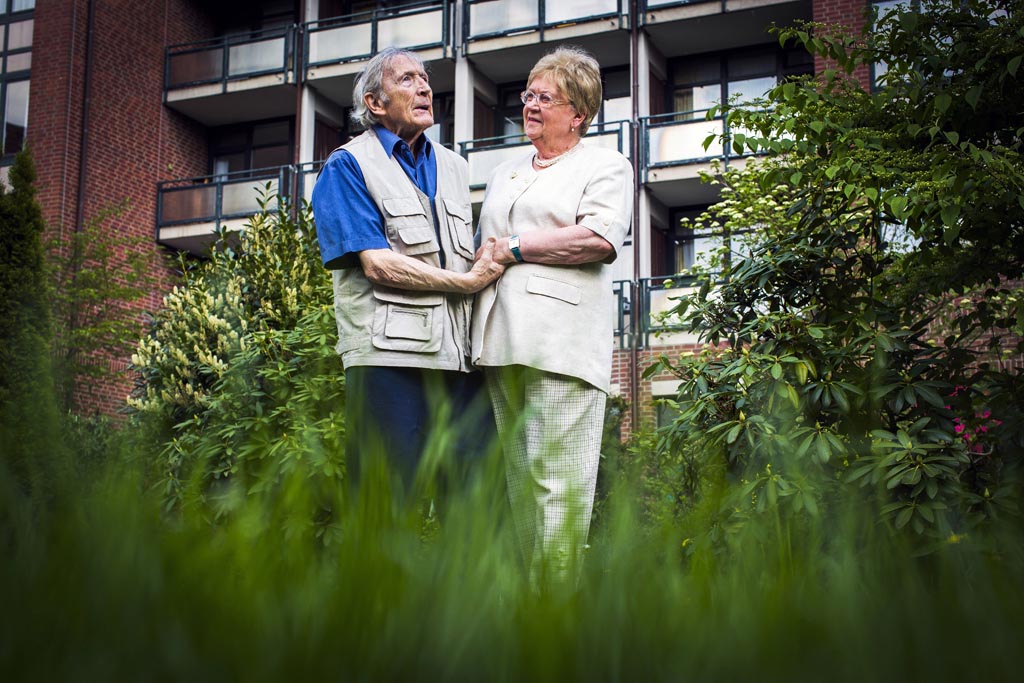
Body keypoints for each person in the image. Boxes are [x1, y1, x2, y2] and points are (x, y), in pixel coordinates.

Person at [471, 46, 634, 587]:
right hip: (499, 343)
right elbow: (481, 245)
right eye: (528, 95)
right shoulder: (505, 172)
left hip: (560, 346)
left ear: (578, 112)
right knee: (523, 487)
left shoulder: (605, 164)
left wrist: (515, 247)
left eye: (546, 97)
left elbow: (598, 238)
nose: (531, 105)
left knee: (558, 489)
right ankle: (535, 619)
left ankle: (560, 616)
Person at [312, 47, 503, 486]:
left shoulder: (455, 166)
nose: (423, 88)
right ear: (375, 104)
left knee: (474, 508)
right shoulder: (347, 165)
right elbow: (378, 265)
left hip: (459, 364)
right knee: (385, 506)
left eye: (425, 79)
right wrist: (467, 281)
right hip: (388, 361)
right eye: (406, 80)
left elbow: (465, 251)